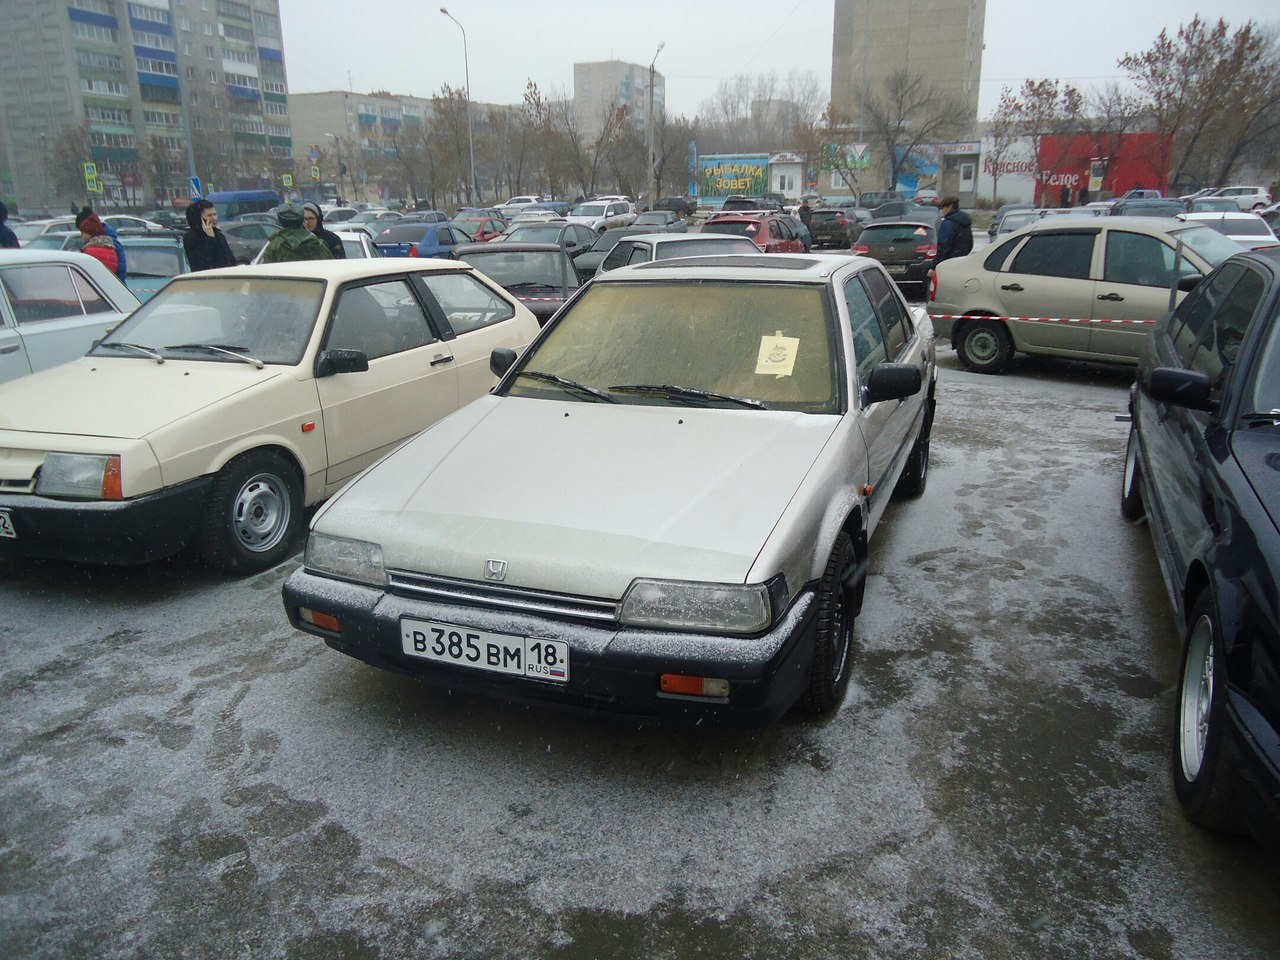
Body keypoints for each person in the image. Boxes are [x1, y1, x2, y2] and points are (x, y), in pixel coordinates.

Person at [260, 202, 333, 263]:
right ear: (302, 220)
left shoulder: (274, 246)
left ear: (280, 221)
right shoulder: (317, 243)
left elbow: (266, 274)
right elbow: (331, 268)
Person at [182, 199, 237, 271]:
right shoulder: (190, 238)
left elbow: (230, 261)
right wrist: (210, 238)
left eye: (215, 214)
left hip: (223, 278)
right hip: (205, 279)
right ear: (199, 219)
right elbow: (201, 262)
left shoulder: (219, 236)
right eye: (209, 215)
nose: (214, 218)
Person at [75, 206, 126, 281]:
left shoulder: (109, 241)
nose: (82, 235)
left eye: (83, 232)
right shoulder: (93, 241)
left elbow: (121, 267)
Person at [930, 195, 973, 275]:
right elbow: (969, 244)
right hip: (961, 262)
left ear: (950, 207)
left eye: (943, 208)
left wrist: (933, 266)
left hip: (948, 264)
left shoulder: (948, 223)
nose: (942, 211)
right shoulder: (965, 221)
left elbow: (943, 246)